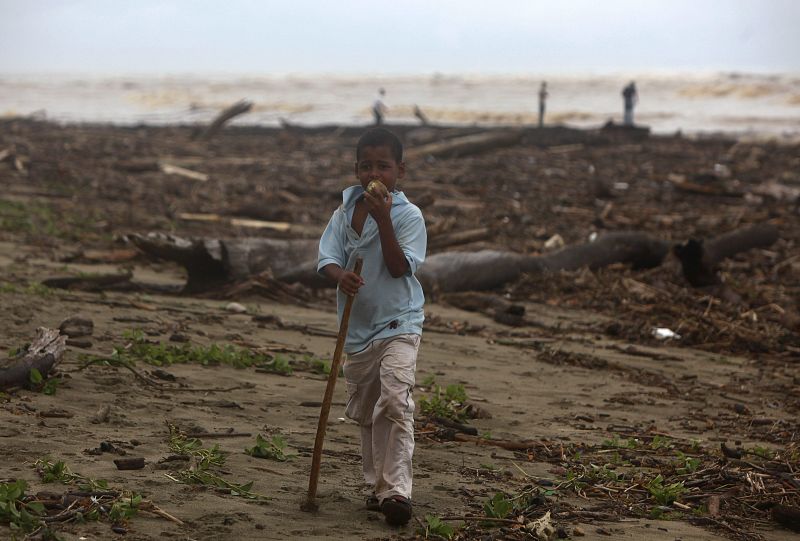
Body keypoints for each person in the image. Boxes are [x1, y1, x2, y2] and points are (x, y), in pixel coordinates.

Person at [317, 127, 427, 527]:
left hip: (400, 322)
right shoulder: (344, 212)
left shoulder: (408, 216)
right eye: (366, 166)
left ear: (400, 170)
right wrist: (339, 275)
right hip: (359, 328)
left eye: (383, 165)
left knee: (395, 401)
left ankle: (397, 491)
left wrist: (384, 221)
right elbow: (326, 257)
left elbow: (399, 268)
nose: (374, 173)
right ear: (357, 169)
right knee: (366, 411)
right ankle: (377, 486)